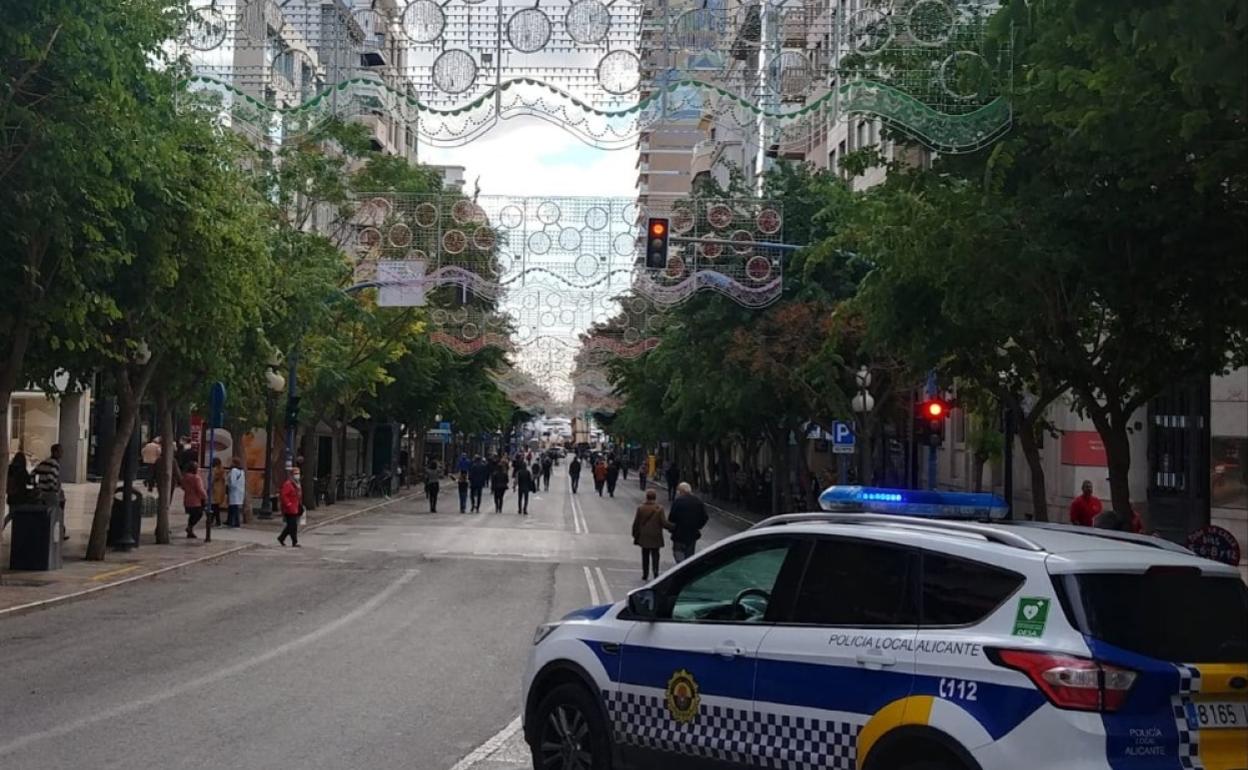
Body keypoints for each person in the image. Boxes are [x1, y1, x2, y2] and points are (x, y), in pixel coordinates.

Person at [631, 489, 671, 581]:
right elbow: (664, 523)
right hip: (656, 535)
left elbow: (636, 523)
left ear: (647, 497)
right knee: (655, 555)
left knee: (645, 555)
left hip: (644, 535)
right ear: (655, 497)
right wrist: (673, 527)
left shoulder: (641, 508)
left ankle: (645, 574)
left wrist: (635, 534)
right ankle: (656, 572)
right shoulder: (659, 509)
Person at [33, 444, 69, 541]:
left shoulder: (44, 462)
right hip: (50, 493)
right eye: (60, 451)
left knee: (47, 513)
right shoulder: (54, 464)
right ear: (55, 452)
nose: (62, 453)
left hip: (42, 492)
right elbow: (51, 478)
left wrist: (37, 486)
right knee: (55, 514)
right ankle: (56, 534)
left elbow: (33, 474)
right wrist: (55, 490)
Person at [668, 482, 709, 563]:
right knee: (689, 557)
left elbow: (671, 517)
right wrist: (698, 526)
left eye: (679, 491)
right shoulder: (698, 502)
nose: (678, 493)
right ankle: (686, 570)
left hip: (679, 533)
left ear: (681, 491)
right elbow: (705, 517)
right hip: (692, 534)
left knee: (678, 554)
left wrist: (672, 528)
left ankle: (680, 568)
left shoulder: (678, 501)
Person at [182, 461, 208, 539]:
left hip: (187, 499)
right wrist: (205, 496)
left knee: (192, 515)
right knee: (198, 514)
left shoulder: (185, 477)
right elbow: (200, 489)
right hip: (196, 500)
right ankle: (190, 527)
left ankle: (190, 529)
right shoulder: (196, 478)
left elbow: (183, 487)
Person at [278, 469, 302, 547]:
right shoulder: (288, 484)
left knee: (290, 526)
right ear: (291, 475)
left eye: (298, 473)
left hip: (294, 507)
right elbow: (284, 495)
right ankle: (294, 542)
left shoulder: (296, 484)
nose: (297, 475)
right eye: (295, 474)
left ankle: (281, 538)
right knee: (293, 526)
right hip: (289, 508)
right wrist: (288, 504)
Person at [226, 458, 246, 528]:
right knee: (233, 507)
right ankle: (231, 521)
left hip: (234, 491)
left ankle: (234, 522)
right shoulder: (242, 471)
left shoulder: (234, 471)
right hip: (239, 491)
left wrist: (229, 487)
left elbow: (233, 481)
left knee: (234, 507)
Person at [210, 458, 226, 526]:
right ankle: (214, 520)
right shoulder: (222, 470)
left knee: (214, 506)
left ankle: (216, 521)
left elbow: (213, 479)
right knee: (215, 506)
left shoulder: (216, 470)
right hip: (220, 489)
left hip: (215, 489)